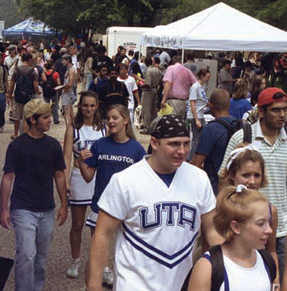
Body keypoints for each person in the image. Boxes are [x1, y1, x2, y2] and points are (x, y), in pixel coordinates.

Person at [86, 114, 222, 291]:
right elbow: (102, 235)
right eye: (174, 143)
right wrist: (94, 286)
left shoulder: (199, 178)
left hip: (182, 283)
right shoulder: (125, 180)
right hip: (135, 284)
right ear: (154, 143)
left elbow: (211, 230)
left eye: (186, 143)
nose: (181, 150)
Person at [0, 99, 68, 291]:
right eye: (45, 117)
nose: (49, 120)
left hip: (46, 208)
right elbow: (7, 177)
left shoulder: (53, 145)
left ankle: (35, 287)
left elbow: (60, 175)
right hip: (23, 208)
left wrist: (64, 204)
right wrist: (3, 209)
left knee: (41, 257)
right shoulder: (17, 146)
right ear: (32, 119)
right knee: (26, 255)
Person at [220, 87, 287, 281]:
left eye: (285, 109)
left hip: (278, 228)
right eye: (276, 110)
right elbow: (224, 178)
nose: (282, 115)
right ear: (262, 112)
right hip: (241, 226)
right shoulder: (243, 137)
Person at [79, 104, 146, 286]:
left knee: (127, 252)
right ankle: (92, 285)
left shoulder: (137, 149)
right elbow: (87, 177)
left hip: (128, 209)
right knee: (97, 251)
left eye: (115, 118)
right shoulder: (100, 145)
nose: (110, 121)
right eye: (108, 118)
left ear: (125, 120)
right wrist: (80, 159)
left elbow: (143, 181)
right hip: (100, 206)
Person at [187, 185, 274, 291]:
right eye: (260, 224)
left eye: (268, 222)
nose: (269, 230)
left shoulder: (266, 261)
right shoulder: (208, 267)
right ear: (235, 227)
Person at [219, 144, 279, 286]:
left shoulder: (270, 211)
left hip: (259, 273)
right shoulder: (220, 208)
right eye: (246, 175)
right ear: (232, 175)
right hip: (227, 275)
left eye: (257, 175)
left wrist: (275, 281)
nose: (252, 181)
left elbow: (271, 250)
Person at [63, 91, 106, 278]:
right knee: (77, 224)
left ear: (97, 106)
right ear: (80, 106)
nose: (88, 109)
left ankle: (102, 266)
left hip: (100, 179)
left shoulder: (104, 127)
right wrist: (65, 183)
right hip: (79, 177)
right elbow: (66, 157)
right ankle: (76, 260)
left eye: (92, 105)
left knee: (100, 227)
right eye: (85, 105)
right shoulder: (74, 128)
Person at [191, 89, 237, 194]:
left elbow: (197, 164)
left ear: (210, 106)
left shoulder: (210, 129)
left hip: (214, 187)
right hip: (234, 187)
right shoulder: (239, 125)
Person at [7, 52, 40, 139]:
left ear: (21, 59)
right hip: (29, 96)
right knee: (27, 115)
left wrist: (9, 94)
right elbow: (35, 85)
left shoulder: (16, 70)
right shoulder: (33, 71)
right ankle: (26, 133)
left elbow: (12, 84)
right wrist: (38, 92)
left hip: (18, 95)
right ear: (29, 60)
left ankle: (15, 133)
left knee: (17, 116)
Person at [187, 69, 211, 160]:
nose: (208, 79)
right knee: (196, 139)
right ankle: (190, 158)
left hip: (200, 114)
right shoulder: (195, 87)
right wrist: (196, 119)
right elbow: (192, 103)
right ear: (202, 76)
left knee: (201, 137)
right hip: (195, 115)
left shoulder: (201, 87)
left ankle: (193, 157)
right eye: (207, 77)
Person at [140, 56, 163, 134]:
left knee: (146, 110)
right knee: (153, 109)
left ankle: (146, 128)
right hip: (155, 89)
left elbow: (148, 84)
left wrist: (142, 86)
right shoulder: (157, 70)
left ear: (146, 63)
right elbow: (161, 79)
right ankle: (154, 126)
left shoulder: (148, 71)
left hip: (148, 91)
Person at [61, 54, 77, 125]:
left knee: (67, 114)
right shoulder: (69, 69)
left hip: (68, 93)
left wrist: (61, 88)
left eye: (64, 60)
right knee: (69, 114)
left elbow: (70, 84)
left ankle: (69, 130)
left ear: (68, 60)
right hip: (67, 93)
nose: (62, 62)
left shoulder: (71, 70)